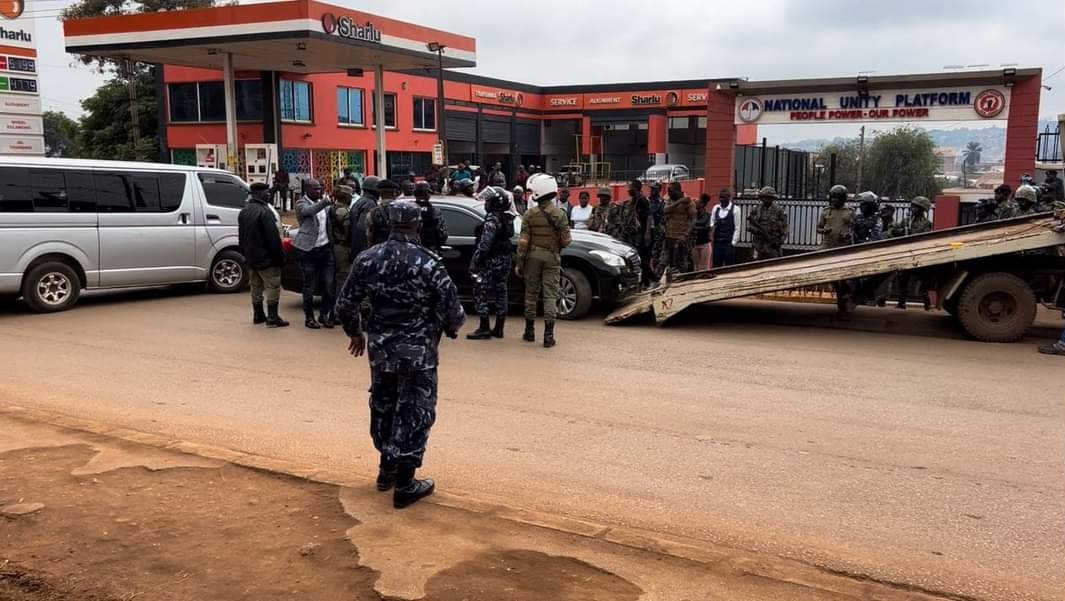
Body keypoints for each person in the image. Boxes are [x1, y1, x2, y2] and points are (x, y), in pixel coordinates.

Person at [335, 201, 465, 509]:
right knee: (416, 410)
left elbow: (344, 305)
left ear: (389, 224)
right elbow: (454, 311)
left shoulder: (368, 259)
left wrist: (355, 332)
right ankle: (405, 484)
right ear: (417, 225)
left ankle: (385, 471)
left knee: (384, 404)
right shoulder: (428, 262)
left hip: (381, 350)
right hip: (419, 353)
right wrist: (450, 327)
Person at [516, 173, 571, 348]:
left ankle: (529, 331)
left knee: (531, 294)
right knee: (550, 295)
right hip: (552, 257)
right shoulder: (560, 214)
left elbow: (523, 242)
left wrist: (520, 262)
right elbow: (567, 241)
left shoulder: (529, 214)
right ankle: (548, 336)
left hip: (532, 257)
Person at [467, 187, 515, 340]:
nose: (486, 204)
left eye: (488, 201)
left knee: (481, 292)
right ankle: (499, 328)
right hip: (505, 260)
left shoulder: (492, 219)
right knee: (501, 292)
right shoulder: (507, 218)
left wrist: (475, 261)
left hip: (491, 261)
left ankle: (484, 328)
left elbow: (485, 244)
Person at [238, 182, 289, 328]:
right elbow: (272, 239)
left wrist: (245, 254)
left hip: (251, 258)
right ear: (259, 194)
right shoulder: (265, 212)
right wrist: (280, 258)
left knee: (256, 287)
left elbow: (241, 236)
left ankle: (258, 315)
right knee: (273, 287)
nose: (269, 194)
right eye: (267, 192)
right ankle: (272, 317)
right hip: (267, 259)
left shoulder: (244, 211)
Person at [292, 178, 336, 329]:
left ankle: (324, 315)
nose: (319, 191)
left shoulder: (323, 204)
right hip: (308, 251)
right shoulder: (301, 203)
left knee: (329, 285)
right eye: (315, 189)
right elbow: (308, 211)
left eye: (320, 188)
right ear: (307, 190)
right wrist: (325, 202)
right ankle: (309, 318)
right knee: (309, 287)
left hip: (325, 249)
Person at [889, 196, 933, 310]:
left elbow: (924, 238)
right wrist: (898, 231)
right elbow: (894, 229)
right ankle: (901, 303)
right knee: (902, 279)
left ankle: (927, 303)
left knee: (922, 281)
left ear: (921, 209)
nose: (912, 208)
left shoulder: (926, 223)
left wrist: (909, 233)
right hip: (906, 254)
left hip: (918, 256)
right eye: (912, 206)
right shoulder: (907, 220)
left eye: (915, 207)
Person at [656, 181, 696, 279]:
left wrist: (686, 234)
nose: (669, 193)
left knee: (680, 265)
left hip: (680, 238)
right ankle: (655, 281)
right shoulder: (670, 200)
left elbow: (693, 219)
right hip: (668, 237)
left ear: (678, 191)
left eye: (671, 191)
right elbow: (665, 210)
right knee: (662, 262)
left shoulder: (689, 202)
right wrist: (679, 201)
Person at [747, 186, 788, 259]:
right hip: (758, 244)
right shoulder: (756, 209)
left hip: (772, 245)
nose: (766, 199)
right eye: (765, 197)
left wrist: (779, 241)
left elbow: (785, 229)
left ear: (773, 198)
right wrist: (759, 231)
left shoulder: (779, 211)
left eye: (769, 197)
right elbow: (750, 226)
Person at [348, 176, 381, 260]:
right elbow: (363, 230)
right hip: (362, 252)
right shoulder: (370, 204)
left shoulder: (360, 201)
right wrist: (368, 251)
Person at [365, 179, 403, 248]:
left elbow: (369, 237)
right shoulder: (402, 211)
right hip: (398, 250)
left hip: (379, 252)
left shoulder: (371, 213)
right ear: (394, 193)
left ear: (380, 193)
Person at [413, 181, 448, 252]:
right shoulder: (435, 211)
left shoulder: (408, 210)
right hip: (429, 250)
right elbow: (442, 234)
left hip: (411, 250)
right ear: (427, 194)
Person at [818, 185, 855, 249]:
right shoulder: (826, 211)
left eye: (836, 198)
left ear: (842, 198)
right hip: (828, 245)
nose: (833, 200)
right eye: (832, 197)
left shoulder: (850, 212)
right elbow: (818, 228)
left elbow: (855, 228)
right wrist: (824, 231)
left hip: (843, 245)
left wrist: (848, 234)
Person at [710, 187, 740, 267]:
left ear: (729, 197)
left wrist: (733, 243)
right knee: (716, 266)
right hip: (717, 243)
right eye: (720, 197)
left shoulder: (735, 209)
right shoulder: (716, 208)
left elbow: (737, 227)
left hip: (728, 243)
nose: (721, 199)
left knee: (729, 267)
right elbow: (711, 223)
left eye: (723, 197)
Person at [330, 184, 354, 277]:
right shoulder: (343, 211)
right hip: (342, 247)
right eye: (350, 196)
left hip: (335, 245)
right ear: (346, 197)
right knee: (343, 275)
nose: (351, 199)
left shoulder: (333, 207)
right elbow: (347, 232)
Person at [690, 193, 713, 271]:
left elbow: (707, 227)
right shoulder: (692, 215)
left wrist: (693, 227)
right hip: (694, 244)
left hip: (705, 244)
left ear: (702, 204)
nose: (695, 203)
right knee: (696, 268)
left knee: (705, 268)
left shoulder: (708, 215)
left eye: (698, 202)